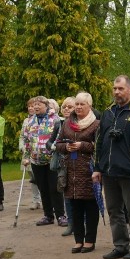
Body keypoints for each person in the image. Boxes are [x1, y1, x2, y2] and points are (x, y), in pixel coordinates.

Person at [92, 75, 130, 259]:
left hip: (129, 171)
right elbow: (99, 142)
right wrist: (97, 167)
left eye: (120, 88)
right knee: (114, 210)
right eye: (115, 88)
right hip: (109, 171)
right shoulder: (108, 112)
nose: (117, 92)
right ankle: (120, 245)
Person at [55, 92, 100, 254]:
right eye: (77, 104)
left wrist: (82, 145)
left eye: (82, 104)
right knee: (75, 207)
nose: (79, 107)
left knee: (90, 207)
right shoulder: (67, 123)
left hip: (88, 171)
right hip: (70, 171)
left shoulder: (96, 124)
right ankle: (78, 240)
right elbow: (58, 143)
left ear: (90, 106)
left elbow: (99, 146)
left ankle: (89, 241)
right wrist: (66, 147)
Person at [22, 96, 67, 227]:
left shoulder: (55, 120)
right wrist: (26, 156)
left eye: (39, 104)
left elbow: (60, 137)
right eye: (34, 104)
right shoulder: (30, 121)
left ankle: (60, 215)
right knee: (43, 188)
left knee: (54, 188)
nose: (36, 106)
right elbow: (26, 140)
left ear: (46, 106)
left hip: (52, 160)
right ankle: (48, 215)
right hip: (36, 161)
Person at [57, 97, 76, 236]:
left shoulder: (86, 122)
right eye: (64, 107)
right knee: (67, 195)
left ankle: (84, 223)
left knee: (83, 195)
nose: (66, 109)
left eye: (70, 107)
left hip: (82, 163)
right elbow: (54, 143)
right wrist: (65, 146)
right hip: (65, 163)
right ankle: (71, 224)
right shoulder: (61, 124)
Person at [19, 99, 42, 210]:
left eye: (33, 106)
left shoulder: (42, 120)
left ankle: (44, 199)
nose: (30, 108)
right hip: (27, 154)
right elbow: (22, 137)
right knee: (33, 178)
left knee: (40, 178)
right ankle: (35, 200)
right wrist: (22, 147)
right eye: (29, 106)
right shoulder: (26, 121)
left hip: (38, 153)